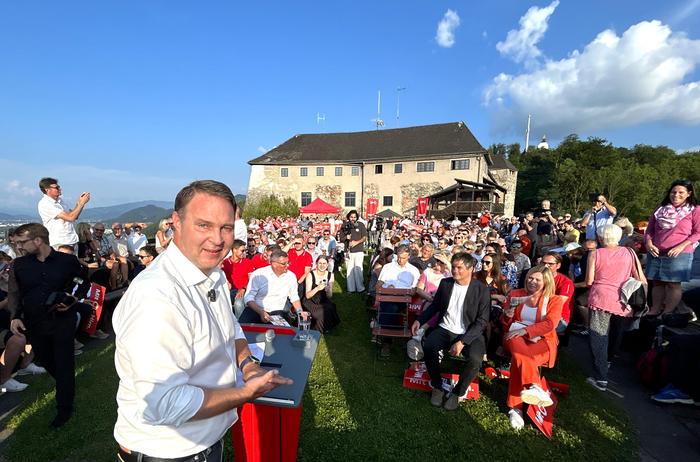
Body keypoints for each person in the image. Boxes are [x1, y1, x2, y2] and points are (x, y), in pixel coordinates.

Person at [113, 180, 292, 460]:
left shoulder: (213, 273)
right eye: (204, 225)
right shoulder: (157, 297)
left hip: (201, 442)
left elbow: (229, 327)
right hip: (168, 451)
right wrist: (245, 393)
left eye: (226, 227)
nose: (218, 239)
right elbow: (166, 404)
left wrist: (247, 366)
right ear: (176, 222)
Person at [8, 223, 88, 427]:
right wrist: (15, 316)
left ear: (38, 240)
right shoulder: (19, 265)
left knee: (64, 364)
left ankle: (64, 409)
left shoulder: (67, 261)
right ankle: (65, 384)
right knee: (48, 361)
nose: (18, 247)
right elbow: (14, 293)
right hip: (34, 323)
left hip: (62, 319)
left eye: (21, 242)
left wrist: (72, 298)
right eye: (15, 243)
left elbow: (82, 281)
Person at [411, 253, 490, 411]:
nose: (454, 270)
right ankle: (438, 386)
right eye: (453, 266)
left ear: (470, 269)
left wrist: (462, 342)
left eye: (459, 267)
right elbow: (435, 306)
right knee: (429, 346)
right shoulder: (446, 283)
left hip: (469, 332)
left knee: (475, 359)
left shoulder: (481, 290)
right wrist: (420, 320)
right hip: (446, 327)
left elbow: (482, 321)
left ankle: (457, 392)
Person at [501, 266, 564, 429]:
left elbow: (550, 324)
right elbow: (505, 323)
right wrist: (507, 317)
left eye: (537, 279)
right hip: (515, 336)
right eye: (530, 278)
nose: (532, 282)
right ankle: (534, 386)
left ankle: (515, 407)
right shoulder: (516, 294)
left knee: (519, 360)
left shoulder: (554, 300)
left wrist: (526, 330)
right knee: (518, 346)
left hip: (542, 340)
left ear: (546, 282)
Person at [585, 224, 646, 392]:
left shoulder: (595, 253)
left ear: (601, 237)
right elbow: (640, 277)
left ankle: (600, 377)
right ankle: (608, 363)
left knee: (599, 337)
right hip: (624, 299)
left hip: (601, 298)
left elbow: (589, 281)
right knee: (615, 334)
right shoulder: (630, 252)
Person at [644, 179, 700, 316]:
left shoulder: (695, 210)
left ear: (689, 194)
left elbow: (697, 232)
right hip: (656, 251)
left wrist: (682, 246)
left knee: (673, 284)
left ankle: (667, 312)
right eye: (673, 192)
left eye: (681, 192)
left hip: (679, 253)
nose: (676, 195)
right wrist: (649, 243)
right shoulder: (660, 209)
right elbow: (649, 230)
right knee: (657, 282)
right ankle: (654, 310)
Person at [241, 249, 306, 324]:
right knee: (242, 329)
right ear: (274, 264)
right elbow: (249, 297)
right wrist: (261, 312)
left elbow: (294, 297)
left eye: (288, 262)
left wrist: (300, 313)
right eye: (284, 263)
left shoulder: (291, 276)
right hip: (256, 309)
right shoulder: (258, 274)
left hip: (277, 312)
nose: (287, 265)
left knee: (279, 333)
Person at [36, 177, 90, 249]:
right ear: (47, 190)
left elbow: (74, 215)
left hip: (71, 240)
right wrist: (81, 203)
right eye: (56, 187)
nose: (59, 189)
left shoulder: (60, 201)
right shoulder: (45, 203)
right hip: (60, 243)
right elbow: (71, 217)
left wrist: (79, 203)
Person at [302, 256, 340, 332]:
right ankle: (318, 329)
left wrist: (328, 290)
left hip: (323, 299)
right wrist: (317, 288)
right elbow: (307, 295)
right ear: (316, 264)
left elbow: (330, 296)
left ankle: (324, 328)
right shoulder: (310, 275)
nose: (322, 265)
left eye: (324, 263)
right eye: (320, 263)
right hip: (310, 300)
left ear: (327, 265)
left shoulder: (330, 275)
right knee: (320, 313)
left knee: (329, 308)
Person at [540, 252, 574, 333]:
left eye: (550, 264)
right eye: (543, 263)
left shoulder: (566, 282)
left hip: (559, 317)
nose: (546, 266)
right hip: (538, 311)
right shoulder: (536, 277)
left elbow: (558, 303)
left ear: (558, 265)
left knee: (540, 331)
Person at [221, 239, 254, 318]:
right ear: (234, 250)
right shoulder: (224, 263)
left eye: (245, 250)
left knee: (238, 304)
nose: (244, 252)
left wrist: (243, 288)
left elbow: (252, 280)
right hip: (229, 291)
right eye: (242, 250)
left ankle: (241, 325)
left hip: (243, 291)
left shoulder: (247, 262)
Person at [344, 210, 368, 294]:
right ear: (348, 217)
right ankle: (351, 289)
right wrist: (346, 238)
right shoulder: (345, 225)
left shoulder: (361, 225)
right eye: (351, 217)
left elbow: (364, 237)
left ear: (357, 217)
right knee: (349, 270)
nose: (353, 218)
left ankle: (360, 288)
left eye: (354, 217)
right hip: (348, 251)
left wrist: (356, 242)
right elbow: (340, 238)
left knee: (358, 270)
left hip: (358, 251)